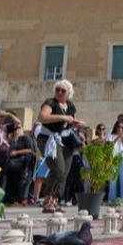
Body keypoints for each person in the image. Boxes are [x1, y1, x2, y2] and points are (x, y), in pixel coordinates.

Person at [36, 80, 85, 213]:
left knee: (64, 172)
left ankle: (55, 200)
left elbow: (71, 119)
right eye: (57, 89)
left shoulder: (70, 105)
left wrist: (77, 123)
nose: (59, 92)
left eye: (63, 90)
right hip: (49, 139)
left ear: (69, 93)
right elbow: (42, 117)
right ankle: (47, 200)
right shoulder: (51, 103)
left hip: (66, 140)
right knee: (58, 169)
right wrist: (63, 118)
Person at [4, 123, 34, 205]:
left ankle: (24, 198)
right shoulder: (11, 140)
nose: (16, 130)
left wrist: (16, 152)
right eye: (15, 129)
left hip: (24, 162)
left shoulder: (25, 138)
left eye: (18, 128)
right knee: (12, 181)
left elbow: (30, 150)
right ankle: (12, 198)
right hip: (13, 163)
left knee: (23, 180)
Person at [106, 120, 123, 202]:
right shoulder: (111, 135)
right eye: (118, 127)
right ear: (115, 127)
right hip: (113, 159)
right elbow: (109, 146)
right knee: (113, 180)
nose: (120, 128)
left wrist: (122, 138)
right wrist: (117, 137)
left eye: (122, 127)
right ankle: (112, 199)